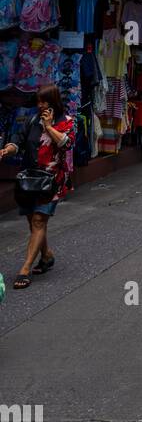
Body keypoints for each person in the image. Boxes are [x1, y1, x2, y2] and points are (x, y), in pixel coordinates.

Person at [0, 84, 74, 289]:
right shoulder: (32, 120)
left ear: (54, 102)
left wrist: (49, 127)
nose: (41, 105)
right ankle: (47, 256)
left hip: (51, 181)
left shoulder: (66, 122)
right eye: (39, 101)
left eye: (45, 101)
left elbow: (67, 144)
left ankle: (25, 269)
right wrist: (8, 150)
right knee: (33, 222)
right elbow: (18, 141)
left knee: (39, 220)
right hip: (28, 180)